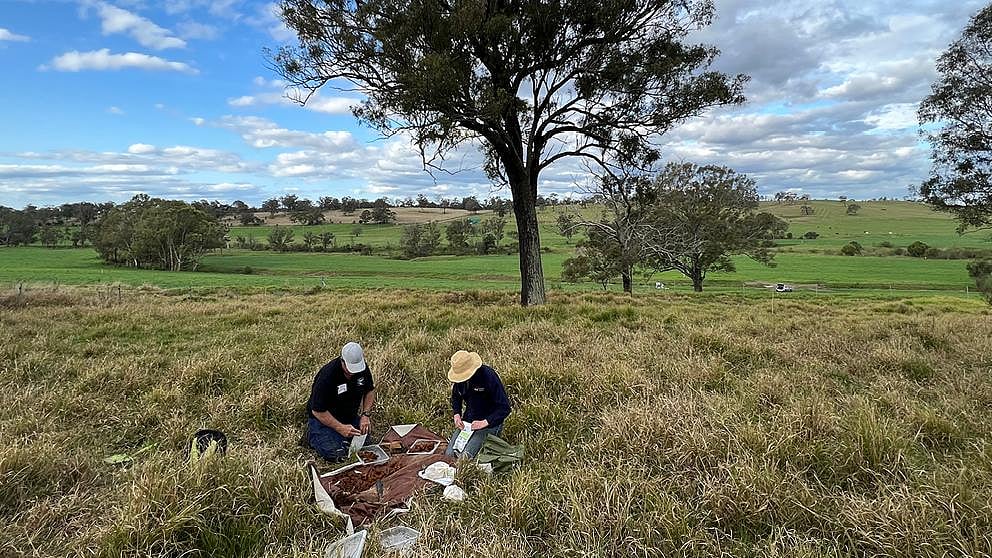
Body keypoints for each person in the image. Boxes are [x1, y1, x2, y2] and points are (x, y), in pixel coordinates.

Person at [306, 341, 376, 461]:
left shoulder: (362, 368)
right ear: (342, 361)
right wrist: (340, 427)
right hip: (324, 420)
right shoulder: (327, 375)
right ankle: (311, 434)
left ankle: (341, 437)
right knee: (337, 454)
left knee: (366, 443)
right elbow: (317, 411)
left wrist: (365, 415)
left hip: (349, 417)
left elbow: (369, 391)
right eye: (349, 368)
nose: (352, 372)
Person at [445, 350, 511, 459]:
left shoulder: (488, 376)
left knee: (464, 459)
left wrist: (484, 423)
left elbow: (505, 408)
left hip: (490, 423)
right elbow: (456, 396)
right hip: (469, 422)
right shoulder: (459, 381)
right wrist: (456, 414)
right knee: (449, 455)